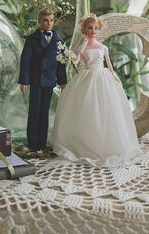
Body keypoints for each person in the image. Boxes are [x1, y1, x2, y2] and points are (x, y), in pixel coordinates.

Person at [50, 14, 142, 167]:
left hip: (103, 76)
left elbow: (109, 65)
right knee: (87, 108)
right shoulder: (83, 47)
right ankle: (84, 141)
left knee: (107, 110)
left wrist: (114, 75)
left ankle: (107, 141)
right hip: (87, 77)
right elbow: (78, 61)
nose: (93, 30)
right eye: (90, 28)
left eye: (96, 28)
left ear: (99, 30)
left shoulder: (103, 47)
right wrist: (69, 57)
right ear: (84, 30)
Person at [18, 8, 67, 151]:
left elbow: (61, 63)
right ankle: (32, 143)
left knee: (44, 112)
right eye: (45, 20)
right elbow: (25, 61)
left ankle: (42, 142)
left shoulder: (59, 41)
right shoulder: (32, 39)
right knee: (34, 111)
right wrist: (23, 80)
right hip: (36, 81)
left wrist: (62, 81)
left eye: (51, 20)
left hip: (50, 82)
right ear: (39, 22)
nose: (49, 23)